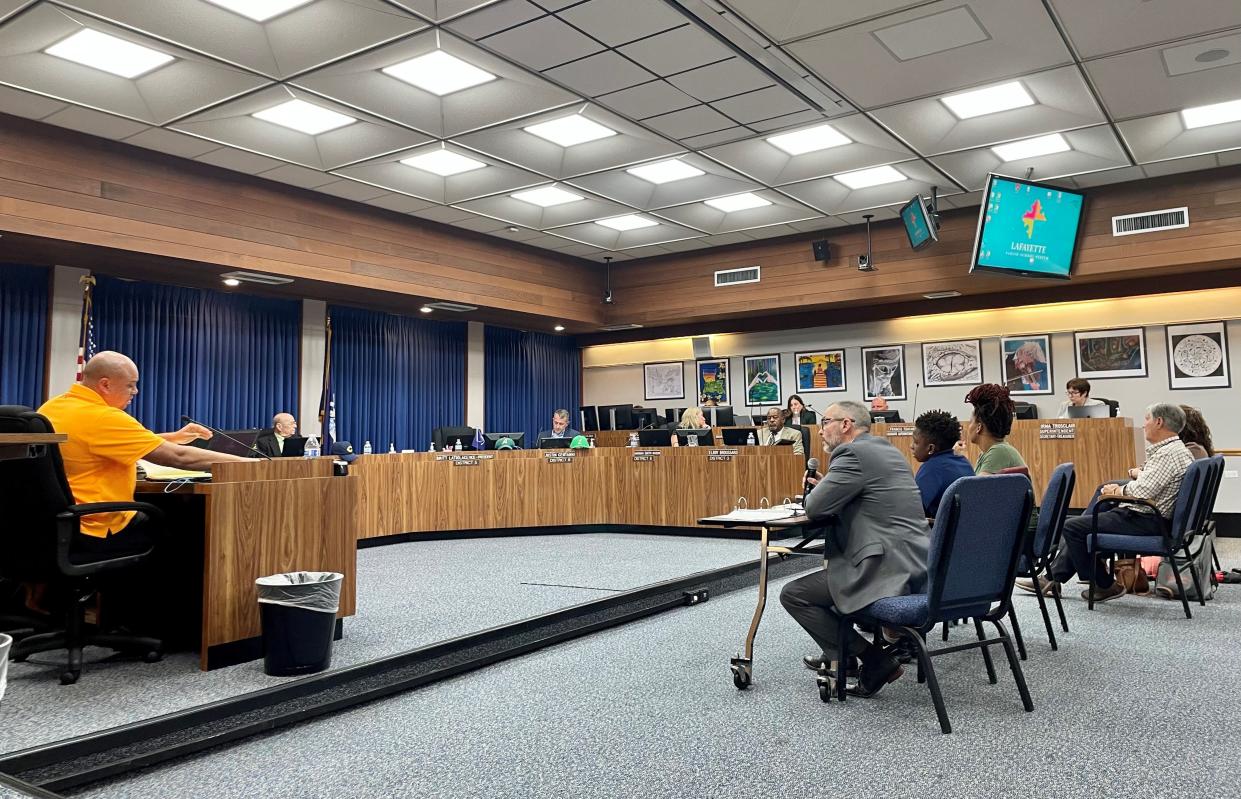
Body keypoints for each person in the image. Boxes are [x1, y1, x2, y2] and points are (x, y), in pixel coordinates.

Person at [38, 351, 249, 559]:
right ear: (105, 384)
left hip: (52, 525)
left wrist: (174, 437)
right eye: (130, 384)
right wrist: (250, 463)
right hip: (96, 526)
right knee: (186, 529)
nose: (136, 391)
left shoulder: (53, 407)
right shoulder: (105, 417)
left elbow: (104, 442)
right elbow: (180, 457)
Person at [780, 401, 929, 697]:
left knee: (795, 595)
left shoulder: (850, 453)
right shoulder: (886, 449)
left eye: (826, 423)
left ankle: (872, 660)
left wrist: (819, 491)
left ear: (845, 425)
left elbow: (814, 506)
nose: (821, 431)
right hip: (916, 561)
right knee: (832, 576)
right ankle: (843, 657)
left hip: (885, 569)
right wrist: (830, 484)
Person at [1018, 403, 1193, 602]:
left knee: (1074, 527)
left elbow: (1143, 491)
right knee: (1086, 520)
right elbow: (1157, 483)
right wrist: (1139, 474)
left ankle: (1104, 585)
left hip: (1145, 518)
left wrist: (1116, 491)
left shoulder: (1168, 454)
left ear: (1159, 422)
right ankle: (1052, 579)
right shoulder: (1176, 450)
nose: (1144, 425)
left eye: (1147, 419)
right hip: (1150, 515)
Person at [912, 410, 974, 520]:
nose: (911, 446)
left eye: (916, 442)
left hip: (941, 534)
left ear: (930, 448)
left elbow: (914, 514)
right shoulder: (964, 462)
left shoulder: (930, 470)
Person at [963, 383, 1026, 475]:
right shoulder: (989, 453)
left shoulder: (998, 452)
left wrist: (960, 459)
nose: (969, 426)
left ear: (979, 427)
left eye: (970, 422)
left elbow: (974, 488)